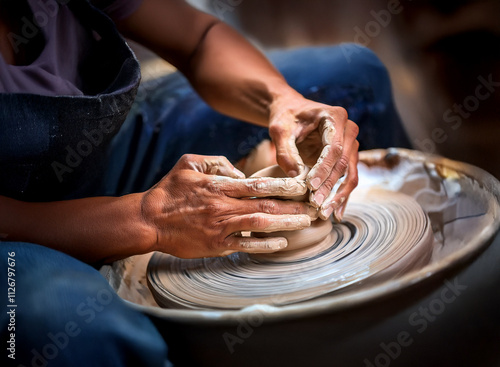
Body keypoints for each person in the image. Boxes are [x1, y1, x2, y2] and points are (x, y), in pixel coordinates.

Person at [0, 0, 410, 365]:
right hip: (15, 232)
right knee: (67, 324)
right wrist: (148, 219)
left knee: (353, 77)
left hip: (97, 153)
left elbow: (196, 39)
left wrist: (282, 102)